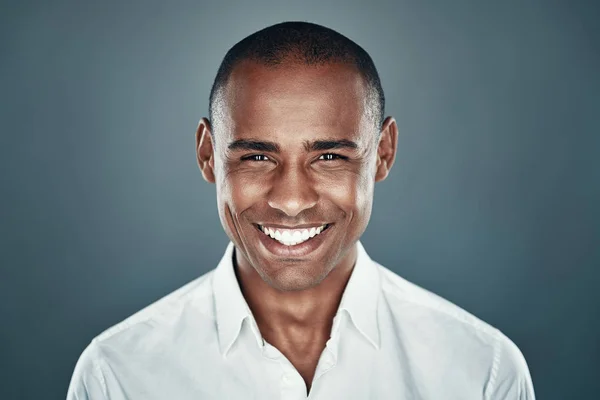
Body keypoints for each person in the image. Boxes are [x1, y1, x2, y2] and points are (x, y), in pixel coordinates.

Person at [67, 21, 535, 399]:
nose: (291, 200)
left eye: (329, 157)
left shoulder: (482, 374)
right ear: (208, 155)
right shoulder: (117, 378)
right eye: (257, 157)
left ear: (383, 153)